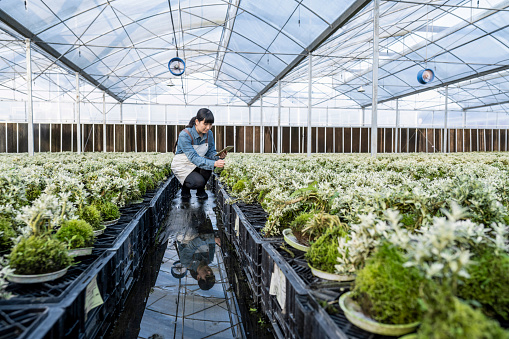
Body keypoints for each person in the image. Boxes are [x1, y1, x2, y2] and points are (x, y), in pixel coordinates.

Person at [171, 108, 226, 200]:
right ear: (197, 122)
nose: (208, 127)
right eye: (205, 124)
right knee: (198, 181)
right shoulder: (185, 135)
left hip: (197, 164)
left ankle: (200, 190)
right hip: (183, 166)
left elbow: (210, 152)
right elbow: (193, 157)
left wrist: (218, 156)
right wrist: (214, 163)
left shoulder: (209, 134)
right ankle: (185, 187)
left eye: (210, 124)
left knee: (211, 161)